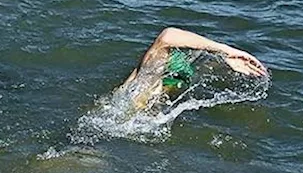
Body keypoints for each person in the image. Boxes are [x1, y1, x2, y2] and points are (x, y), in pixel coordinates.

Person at [114, 27, 267, 112]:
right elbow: (167, 37)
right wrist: (224, 53)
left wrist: (225, 55)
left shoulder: (141, 94)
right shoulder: (141, 94)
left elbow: (168, 37)